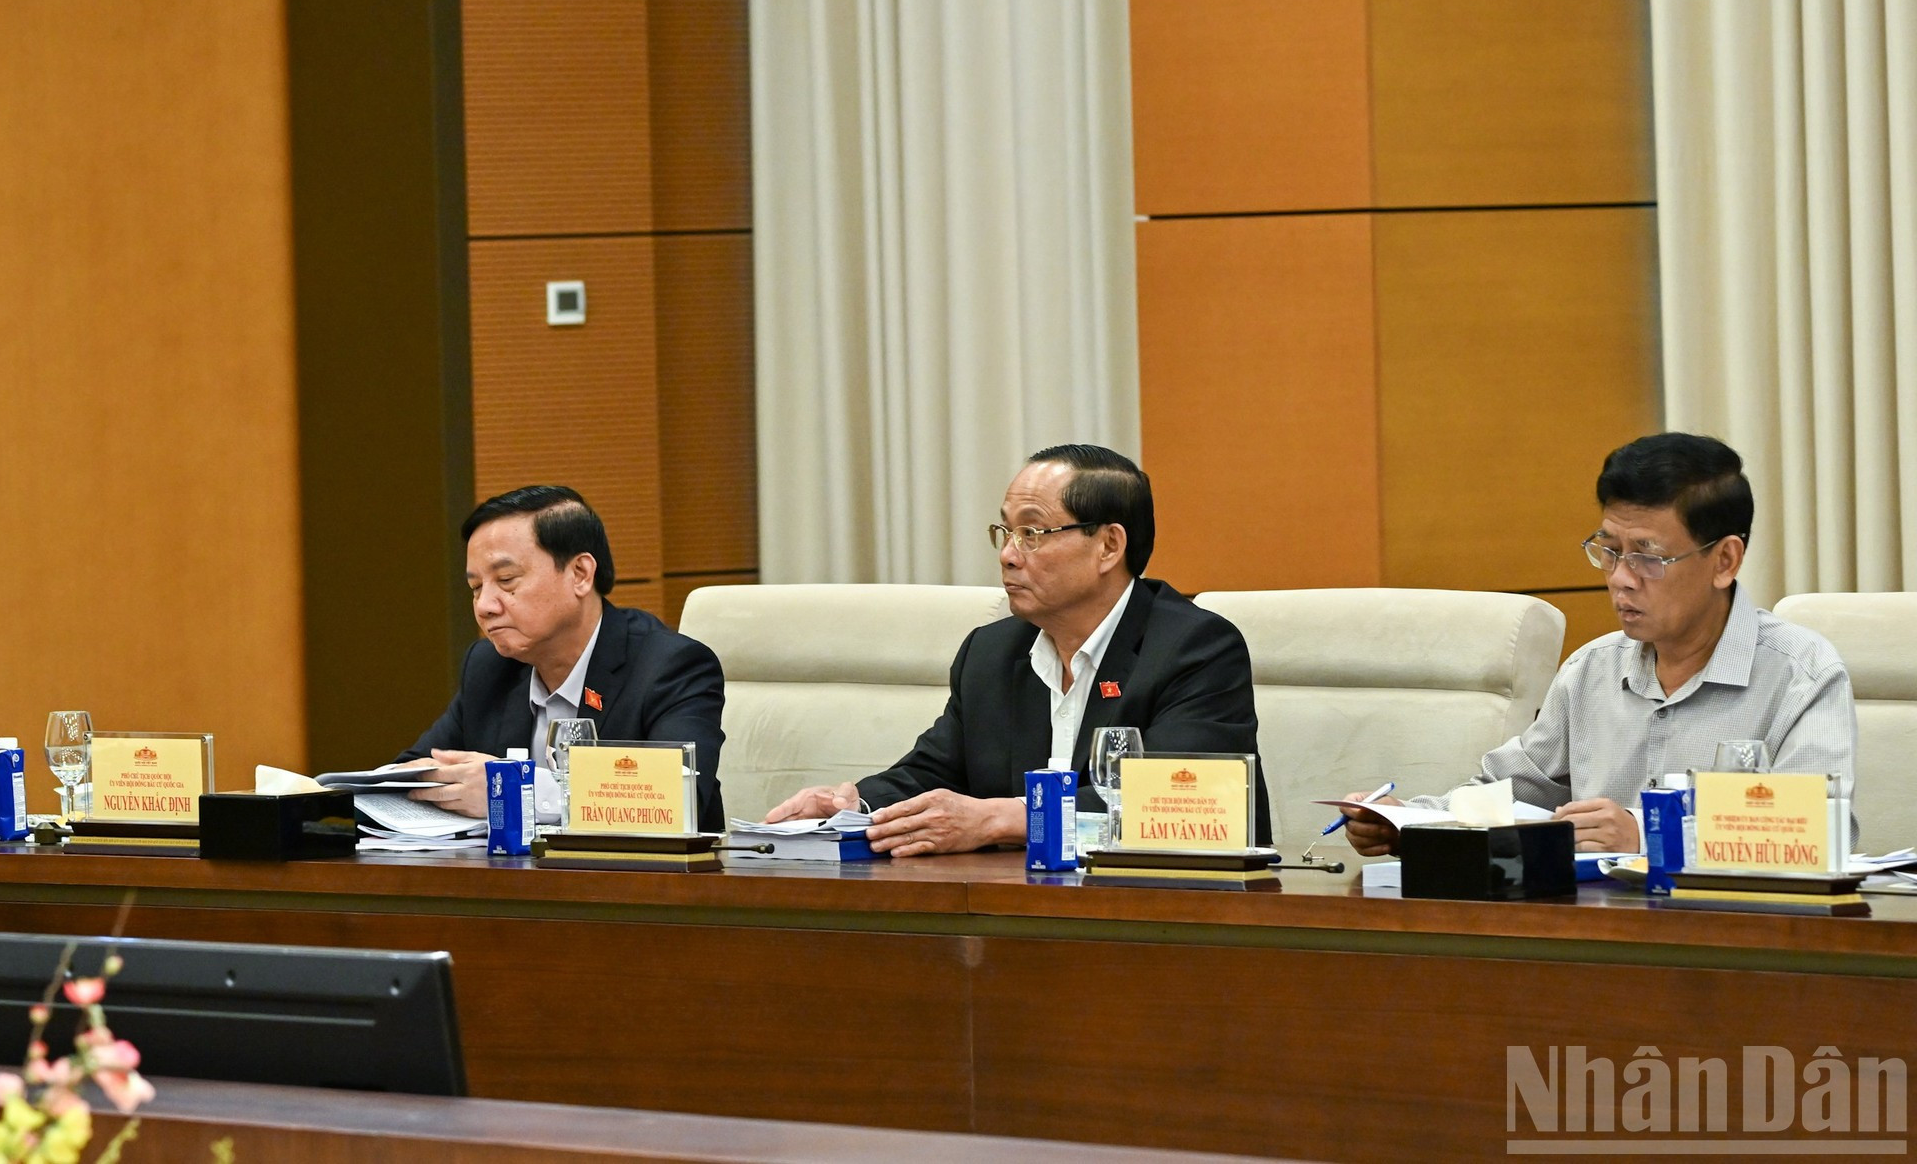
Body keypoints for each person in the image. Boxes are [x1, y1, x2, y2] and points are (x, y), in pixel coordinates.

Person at [1341, 433, 1856, 856]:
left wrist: (1650, 838)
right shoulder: (1593, 670)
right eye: (1609, 551)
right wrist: (1408, 822)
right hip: (1596, 933)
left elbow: (1814, 834)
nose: (1620, 579)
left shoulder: (1801, 673)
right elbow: (1508, 795)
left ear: (1724, 560)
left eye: (1648, 555)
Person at [765, 444, 1270, 854]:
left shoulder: (1195, 649)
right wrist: (856, 804)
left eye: (1032, 532)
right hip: (1022, 906)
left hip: (1164, 911)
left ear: (1109, 546)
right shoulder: (992, 652)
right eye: (1006, 531)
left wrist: (997, 819)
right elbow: (934, 771)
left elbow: (1175, 804)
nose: (1008, 555)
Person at [398, 485, 726, 830]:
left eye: (506, 580)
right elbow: (415, 769)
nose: (484, 606)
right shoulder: (489, 666)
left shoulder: (670, 666)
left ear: (580, 574)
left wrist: (513, 791)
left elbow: (675, 799)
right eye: (476, 587)